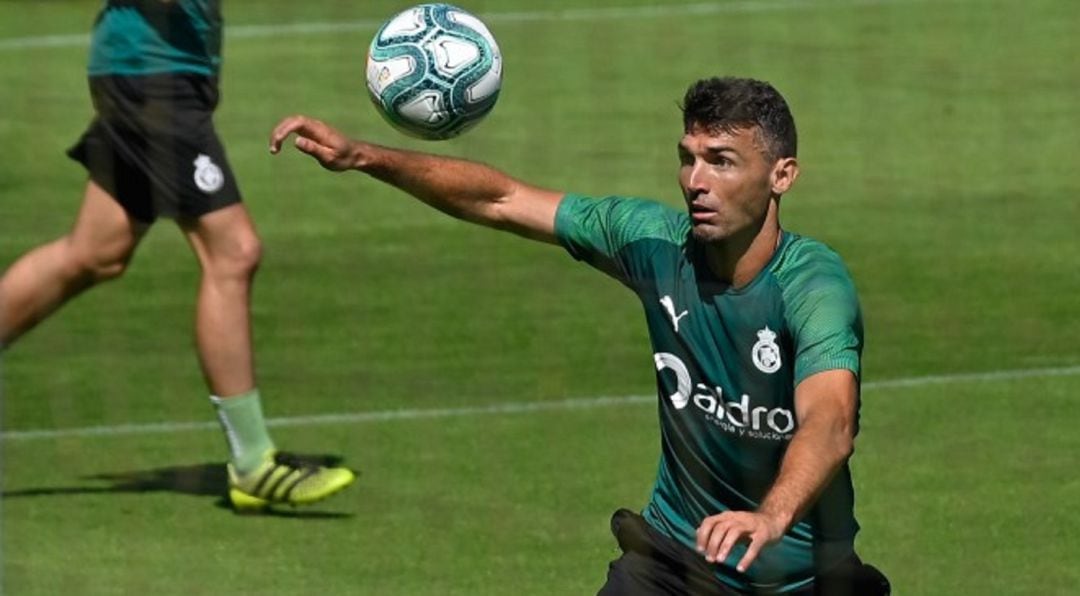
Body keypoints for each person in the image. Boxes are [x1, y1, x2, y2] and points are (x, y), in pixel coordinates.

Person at [269, 76, 891, 594]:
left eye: (721, 162)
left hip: (805, 578)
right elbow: (503, 200)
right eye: (687, 157)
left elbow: (830, 421)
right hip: (675, 561)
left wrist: (770, 515)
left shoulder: (813, 287)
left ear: (782, 176)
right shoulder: (652, 242)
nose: (695, 181)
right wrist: (365, 157)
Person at [0, 0, 354, 511]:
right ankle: (253, 462)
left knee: (97, 252)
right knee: (233, 251)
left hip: (153, 71)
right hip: (152, 76)